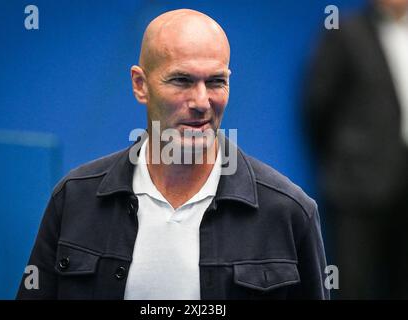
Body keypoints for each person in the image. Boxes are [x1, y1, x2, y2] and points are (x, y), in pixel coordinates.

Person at [17, 8, 329, 300]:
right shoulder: (75, 200)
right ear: (140, 85)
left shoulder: (289, 212)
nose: (201, 101)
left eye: (216, 81)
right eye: (182, 80)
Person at [304, 0, 408, 299]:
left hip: (405, 185)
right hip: (357, 186)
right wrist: (347, 159)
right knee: (353, 285)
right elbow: (317, 105)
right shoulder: (344, 31)